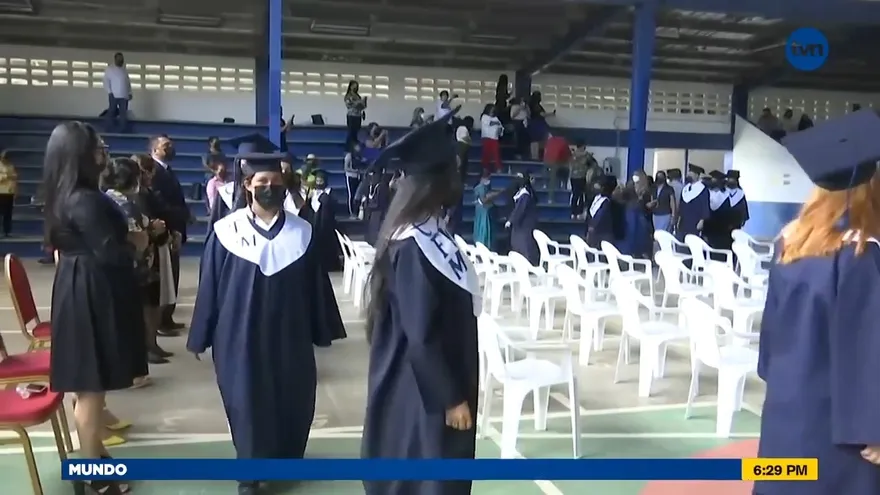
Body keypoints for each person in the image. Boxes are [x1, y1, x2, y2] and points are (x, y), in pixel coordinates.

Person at [188, 152, 346, 495]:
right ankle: (250, 474)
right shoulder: (226, 231)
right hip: (238, 336)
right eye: (262, 182)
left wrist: (322, 328)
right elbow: (210, 284)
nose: (270, 188)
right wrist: (201, 333)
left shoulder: (301, 231)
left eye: (276, 182)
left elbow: (316, 285)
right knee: (245, 401)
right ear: (247, 185)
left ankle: (284, 462)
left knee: (292, 398)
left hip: (290, 335)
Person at [754, 110, 880, 495]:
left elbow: (770, 339)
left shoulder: (789, 242)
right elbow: (866, 347)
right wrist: (873, 429)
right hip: (837, 426)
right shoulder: (859, 252)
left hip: (785, 406)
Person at [361, 111, 479, 495]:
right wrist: (451, 398)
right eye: (453, 172)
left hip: (430, 380)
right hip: (423, 391)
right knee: (428, 478)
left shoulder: (430, 234)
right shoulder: (412, 245)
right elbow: (421, 333)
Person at [44, 122, 145, 495]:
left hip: (78, 285)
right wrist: (136, 242)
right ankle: (95, 476)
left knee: (88, 384)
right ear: (80, 154)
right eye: (97, 146)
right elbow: (110, 252)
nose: (103, 151)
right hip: (92, 292)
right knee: (91, 389)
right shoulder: (84, 200)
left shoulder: (63, 193)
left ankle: (97, 455)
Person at [131, 154, 175, 364]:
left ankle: (152, 342)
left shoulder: (148, 192)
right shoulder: (137, 197)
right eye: (144, 171)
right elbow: (144, 223)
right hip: (146, 253)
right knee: (147, 303)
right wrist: (154, 228)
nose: (148, 175)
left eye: (150, 171)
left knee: (156, 300)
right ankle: (146, 345)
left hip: (157, 247)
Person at [149, 134, 188, 334]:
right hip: (165, 230)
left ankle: (168, 317)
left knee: (173, 276)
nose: (170, 148)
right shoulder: (154, 172)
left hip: (175, 228)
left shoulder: (167, 170)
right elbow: (160, 203)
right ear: (155, 149)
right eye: (166, 145)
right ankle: (161, 321)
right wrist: (177, 217)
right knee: (165, 278)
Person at [309, 169, 342, 272]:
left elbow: (335, 207)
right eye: (317, 181)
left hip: (327, 224)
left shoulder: (330, 192)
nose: (319, 183)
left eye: (321, 181)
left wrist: (326, 199)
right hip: (314, 222)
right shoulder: (312, 193)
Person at [506, 172, 539, 265]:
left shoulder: (525, 194)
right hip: (520, 224)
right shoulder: (520, 192)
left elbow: (519, 210)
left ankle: (527, 263)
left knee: (524, 244)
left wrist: (510, 220)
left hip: (524, 224)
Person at [675, 165, 710, 242]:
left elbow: (705, 206)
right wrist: (679, 218)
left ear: (696, 175)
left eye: (691, 173)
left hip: (695, 220)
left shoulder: (703, 189)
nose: (688, 175)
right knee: (682, 240)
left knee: (693, 241)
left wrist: (702, 221)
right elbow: (681, 205)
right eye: (689, 173)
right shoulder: (685, 188)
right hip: (684, 221)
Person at [473, 170, 506, 250]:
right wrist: (497, 193)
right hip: (483, 213)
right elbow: (484, 199)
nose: (489, 180)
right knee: (483, 231)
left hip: (488, 211)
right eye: (488, 177)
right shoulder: (480, 187)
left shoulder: (487, 187)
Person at [586, 175, 621, 249]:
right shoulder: (597, 198)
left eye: (599, 185)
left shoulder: (607, 202)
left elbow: (599, 217)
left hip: (603, 235)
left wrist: (592, 227)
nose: (595, 187)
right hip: (594, 233)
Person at [703, 171, 733, 252]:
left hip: (721, 226)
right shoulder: (708, 192)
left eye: (714, 180)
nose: (712, 181)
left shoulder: (726, 195)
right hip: (709, 225)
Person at [102, 52, 132, 133]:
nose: (121, 60)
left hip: (124, 96)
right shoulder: (110, 69)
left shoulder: (124, 70)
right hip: (113, 95)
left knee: (123, 114)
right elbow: (106, 81)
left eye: (122, 59)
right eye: (119, 59)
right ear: (115, 59)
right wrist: (109, 92)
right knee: (111, 112)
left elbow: (128, 82)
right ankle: (109, 130)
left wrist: (130, 93)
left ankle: (122, 131)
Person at [527, 91, 555, 160]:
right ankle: (540, 157)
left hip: (532, 124)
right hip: (538, 124)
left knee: (534, 141)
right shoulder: (536, 106)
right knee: (546, 139)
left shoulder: (530, 104)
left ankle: (534, 157)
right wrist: (551, 114)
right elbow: (542, 114)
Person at [480, 104, 503, 174]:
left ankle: (498, 168)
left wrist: (500, 130)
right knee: (486, 153)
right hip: (486, 137)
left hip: (494, 138)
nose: (492, 111)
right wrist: (497, 123)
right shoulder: (484, 116)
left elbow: (500, 126)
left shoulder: (496, 118)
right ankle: (485, 168)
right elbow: (490, 123)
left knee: (496, 153)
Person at [344, 142, 365, 217]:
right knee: (351, 194)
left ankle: (357, 211)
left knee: (358, 194)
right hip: (350, 177)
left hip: (358, 176)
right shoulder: (349, 156)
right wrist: (354, 170)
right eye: (357, 147)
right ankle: (351, 212)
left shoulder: (360, 156)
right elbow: (346, 168)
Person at [0, 150, 17, 237]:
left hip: (9, 192)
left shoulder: (11, 166)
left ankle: (7, 231)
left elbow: (15, 177)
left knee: (8, 213)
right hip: (1, 192)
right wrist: (6, 176)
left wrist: (15, 191)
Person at [344, 80, 367, 146]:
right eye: (353, 86)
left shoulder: (358, 96)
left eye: (356, 86)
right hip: (351, 115)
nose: (355, 87)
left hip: (358, 115)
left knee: (357, 133)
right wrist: (358, 102)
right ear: (350, 86)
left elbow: (362, 107)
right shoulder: (348, 95)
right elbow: (349, 105)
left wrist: (364, 102)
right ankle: (348, 148)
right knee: (351, 132)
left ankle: (355, 147)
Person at [455, 116, 474, 184]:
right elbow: (464, 138)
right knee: (461, 165)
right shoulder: (462, 127)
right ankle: (459, 181)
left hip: (463, 146)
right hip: (461, 146)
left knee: (464, 165)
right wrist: (470, 141)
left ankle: (462, 180)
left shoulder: (463, 127)